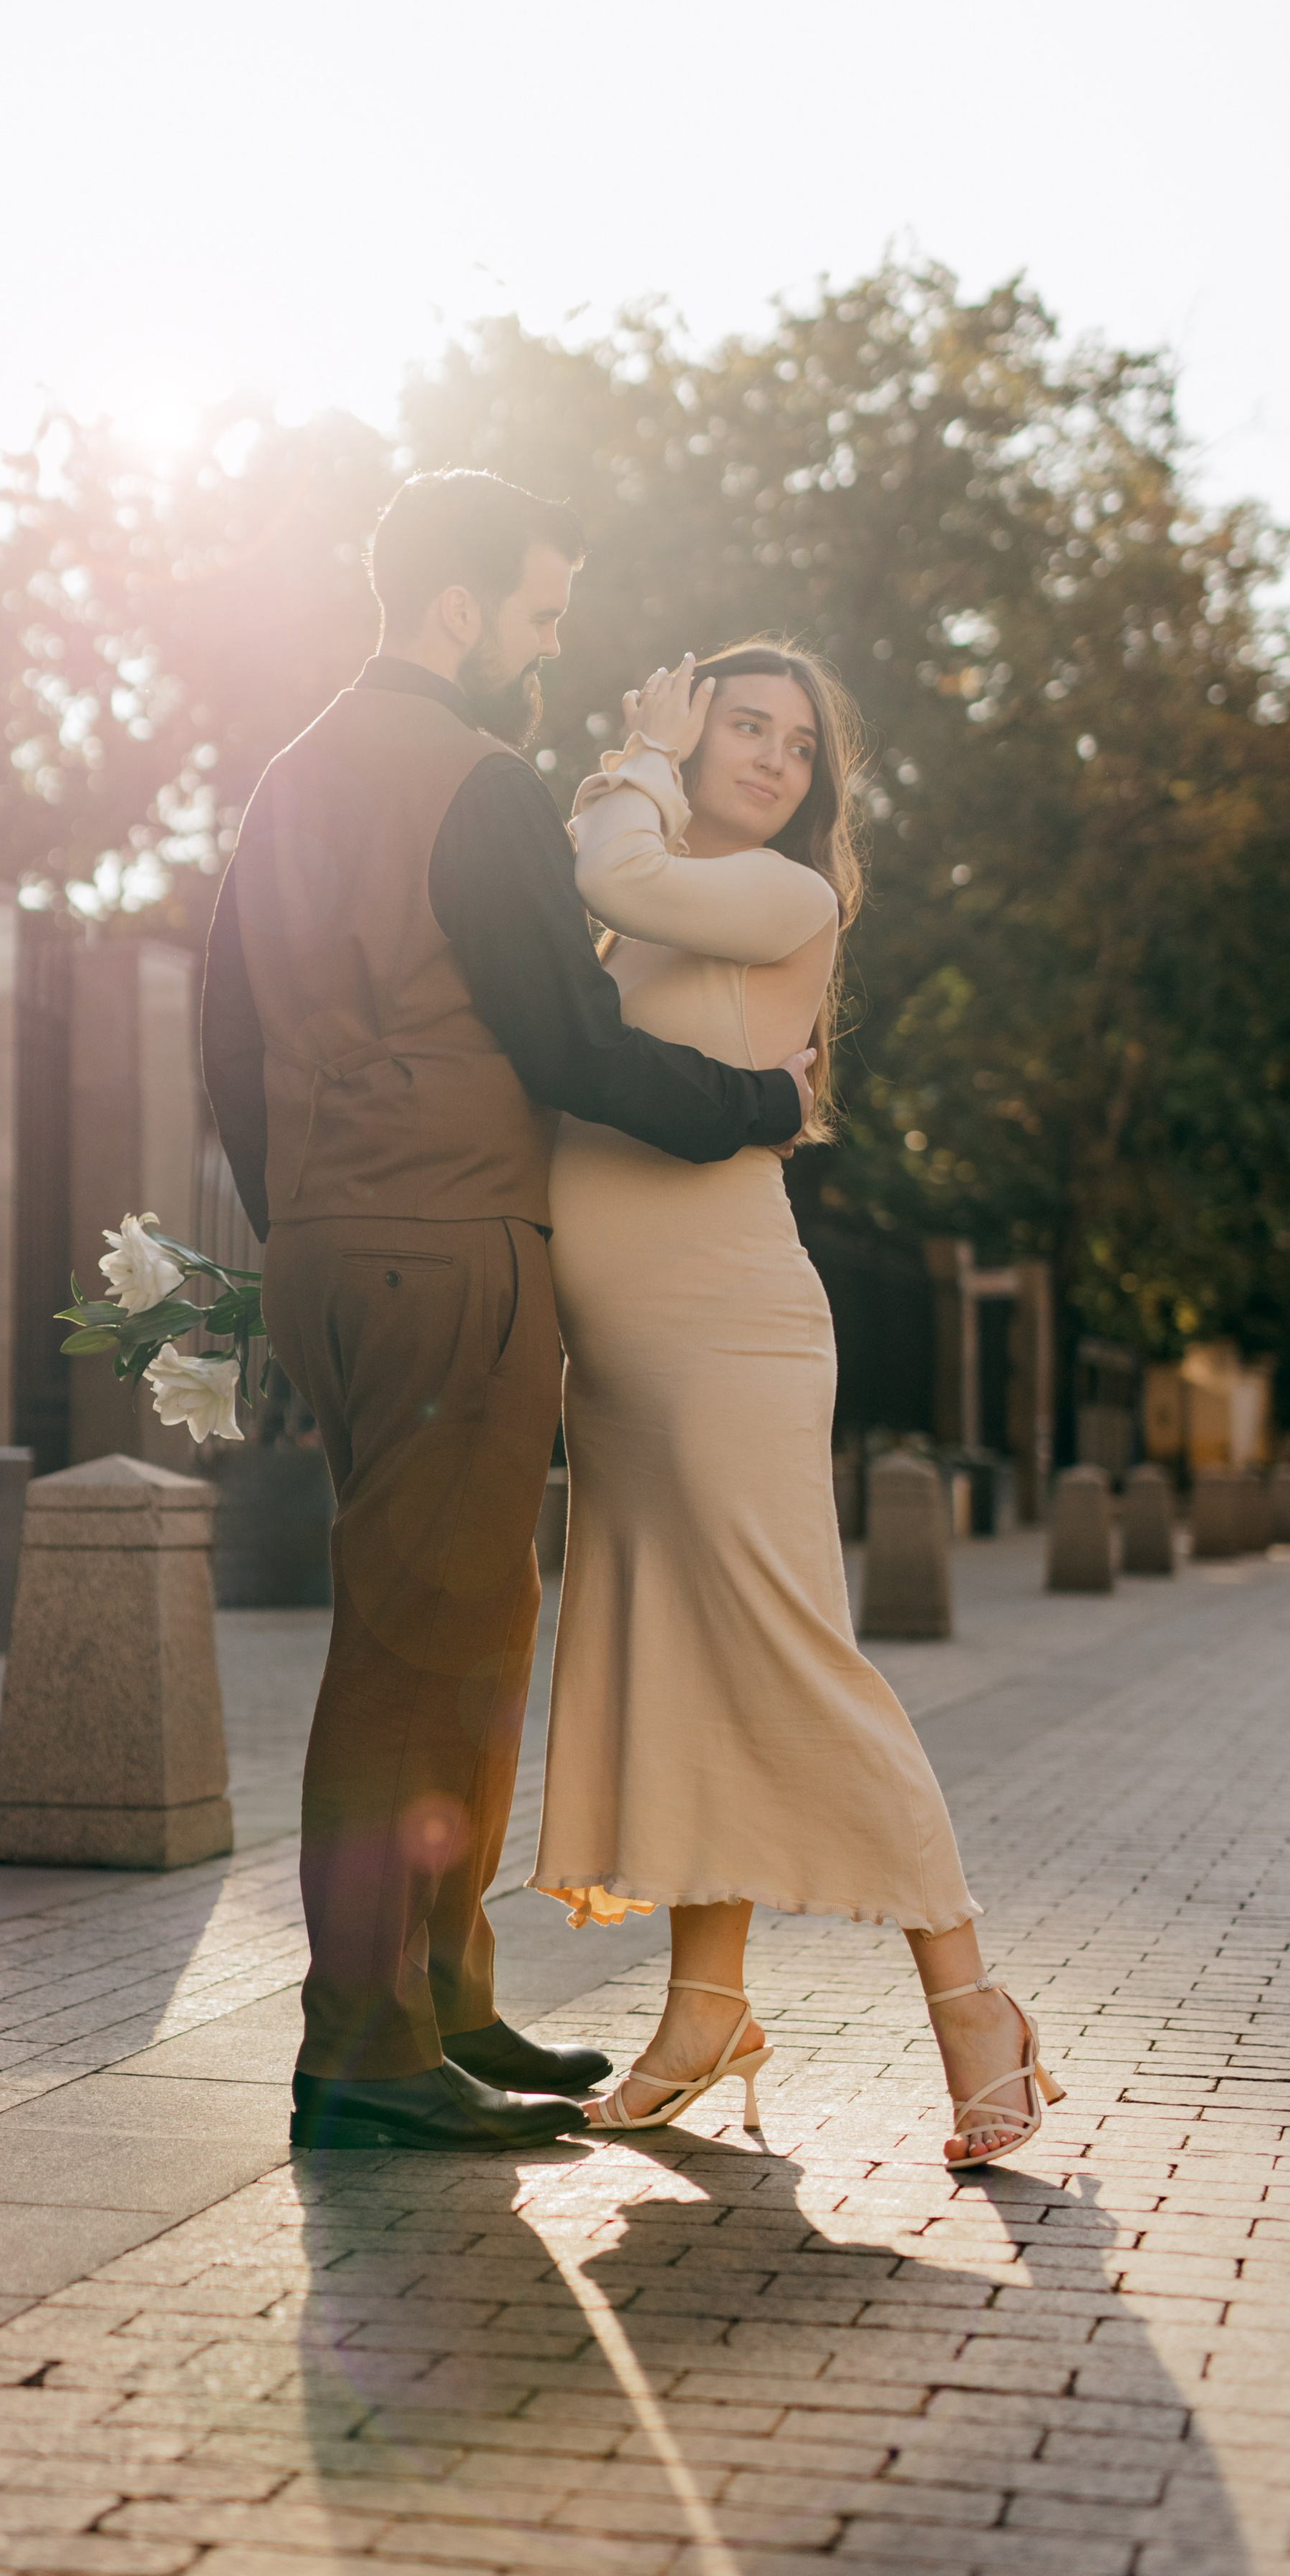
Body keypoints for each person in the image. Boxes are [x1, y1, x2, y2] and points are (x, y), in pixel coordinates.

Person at [201, 475, 815, 2153]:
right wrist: (756, 1100)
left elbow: (217, 1032)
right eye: (540, 614)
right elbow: (568, 1041)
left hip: (341, 1248)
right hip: (450, 1248)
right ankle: (362, 2043)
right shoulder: (475, 784)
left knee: (464, 1621)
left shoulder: (288, 777)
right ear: (462, 612)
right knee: (416, 1641)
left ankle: (443, 1995)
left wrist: (307, 1222)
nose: (548, 647)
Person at [530, 642, 1064, 2166]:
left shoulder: (782, 894)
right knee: (688, 1668)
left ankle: (971, 2005)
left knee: (788, 1659)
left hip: (722, 1334)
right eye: (740, 727)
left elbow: (616, 874)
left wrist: (639, 748)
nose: (768, 758)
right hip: (621, 1360)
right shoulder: (654, 899)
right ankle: (703, 2011)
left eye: (794, 742)